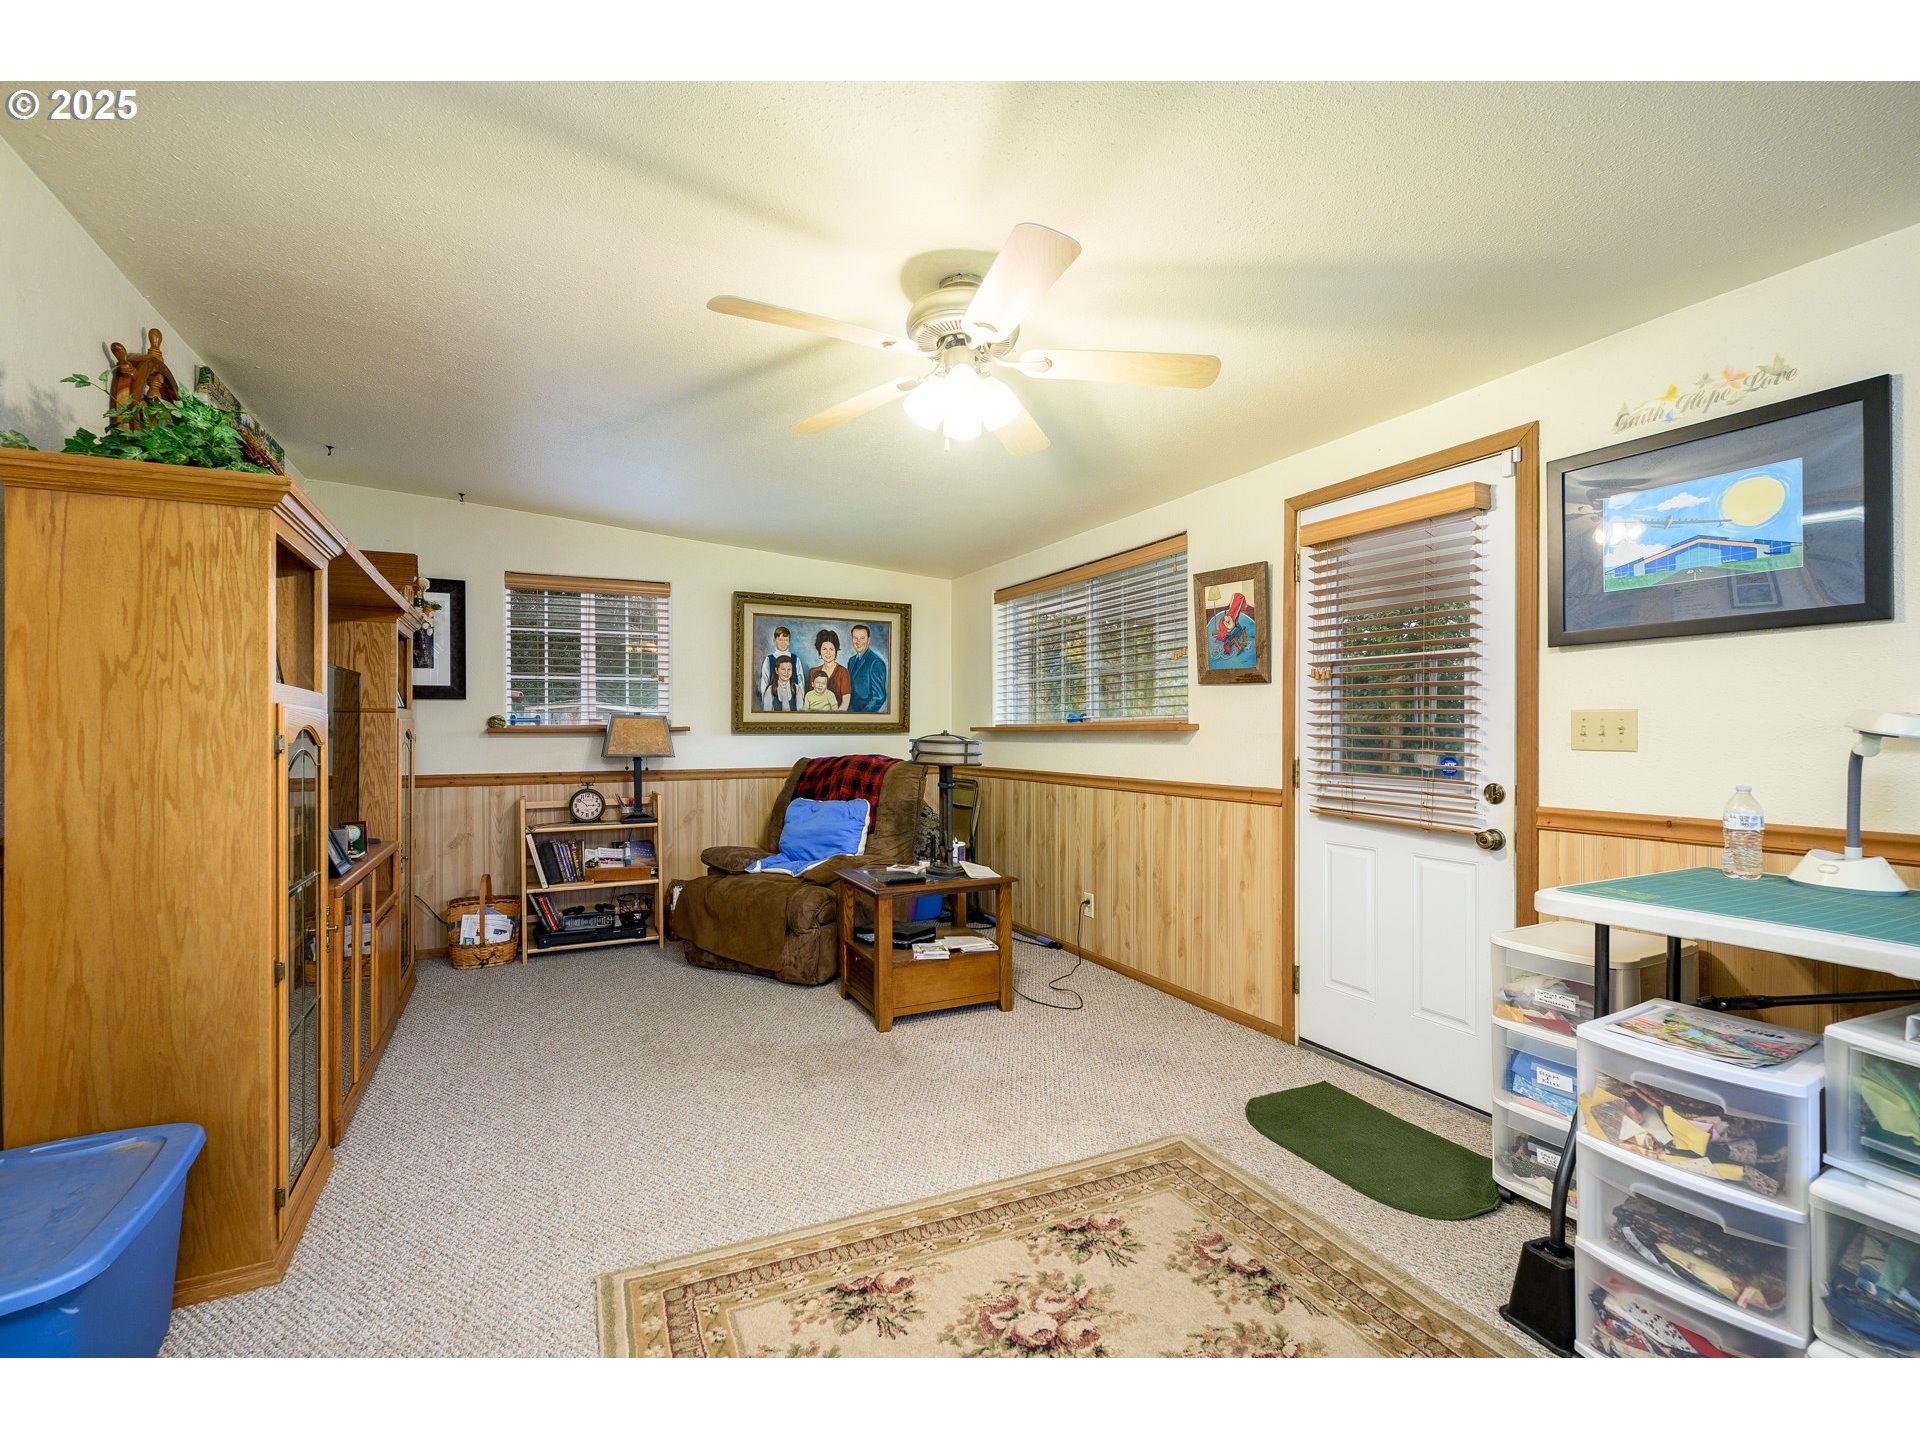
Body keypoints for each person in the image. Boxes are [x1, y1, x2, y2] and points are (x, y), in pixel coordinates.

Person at [846, 622, 888, 714]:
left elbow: (879, 698)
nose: (858, 642)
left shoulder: (876, 663)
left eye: (862, 638)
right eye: (855, 638)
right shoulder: (851, 661)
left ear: (868, 640)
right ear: (852, 639)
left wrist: (862, 716)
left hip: (863, 715)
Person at [807, 630, 852, 711]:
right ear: (819, 651)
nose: (828, 653)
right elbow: (811, 698)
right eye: (824, 649)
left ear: (836, 651)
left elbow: (845, 702)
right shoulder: (813, 672)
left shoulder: (843, 672)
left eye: (831, 649)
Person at [758, 626, 801, 702]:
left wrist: (800, 697)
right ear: (774, 640)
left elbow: (800, 680)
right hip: (773, 698)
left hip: (793, 698)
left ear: (789, 641)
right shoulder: (769, 659)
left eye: (786, 640)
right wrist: (765, 699)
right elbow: (764, 680)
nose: (783, 643)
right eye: (780, 640)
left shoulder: (795, 659)